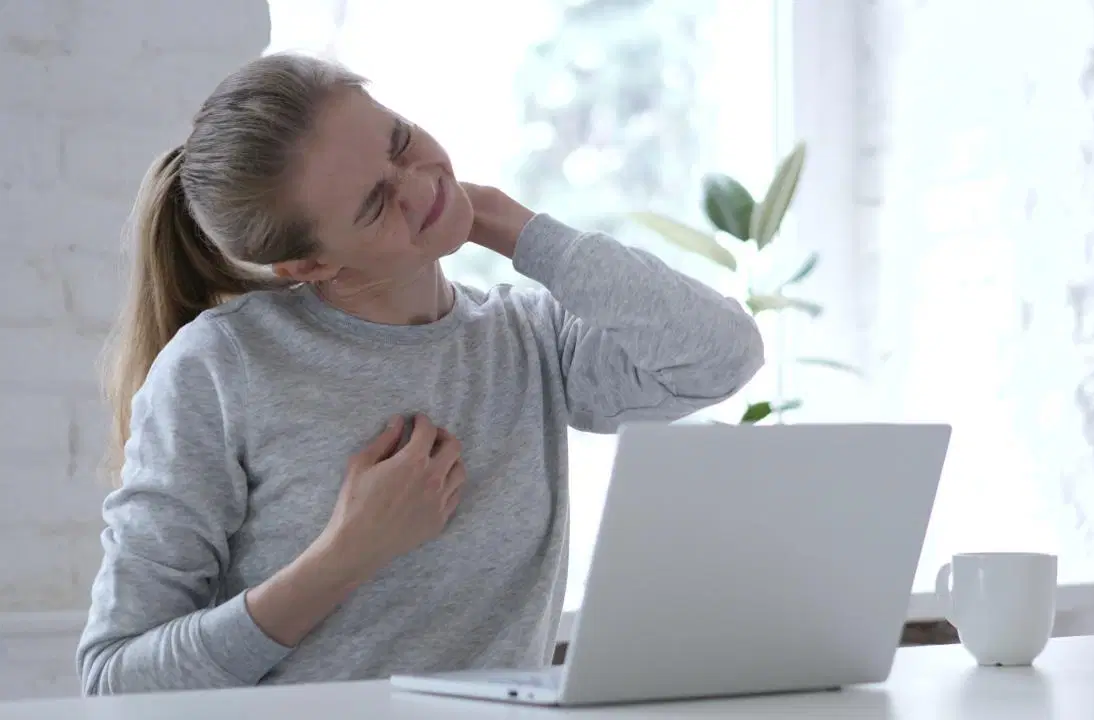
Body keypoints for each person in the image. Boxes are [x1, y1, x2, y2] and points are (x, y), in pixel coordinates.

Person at [73, 52, 763, 695]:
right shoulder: (222, 368)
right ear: (310, 266)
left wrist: (518, 229)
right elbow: (114, 678)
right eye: (375, 204)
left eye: (400, 141)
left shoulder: (530, 340)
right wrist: (345, 555)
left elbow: (722, 353)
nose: (421, 185)